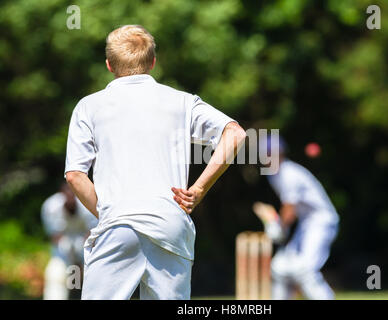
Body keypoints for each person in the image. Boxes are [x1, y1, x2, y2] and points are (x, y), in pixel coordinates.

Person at [64, 25, 246, 300]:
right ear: (152, 62)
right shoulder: (182, 102)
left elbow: (75, 175)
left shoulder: (89, 106)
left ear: (109, 65)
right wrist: (198, 189)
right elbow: (235, 134)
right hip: (170, 223)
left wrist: (111, 213)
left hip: (117, 225)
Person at [253, 136, 339, 300]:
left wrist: (279, 228)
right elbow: (289, 208)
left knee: (305, 270)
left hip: (321, 222)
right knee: (280, 268)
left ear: (281, 153)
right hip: (307, 224)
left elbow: (290, 208)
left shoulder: (289, 173)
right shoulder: (274, 175)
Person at [41, 183, 98, 300]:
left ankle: (78, 292)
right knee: (55, 273)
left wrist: (80, 255)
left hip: (85, 245)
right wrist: (69, 253)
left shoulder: (87, 204)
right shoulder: (51, 206)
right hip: (63, 248)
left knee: (93, 277)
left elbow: (93, 232)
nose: (71, 199)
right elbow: (54, 236)